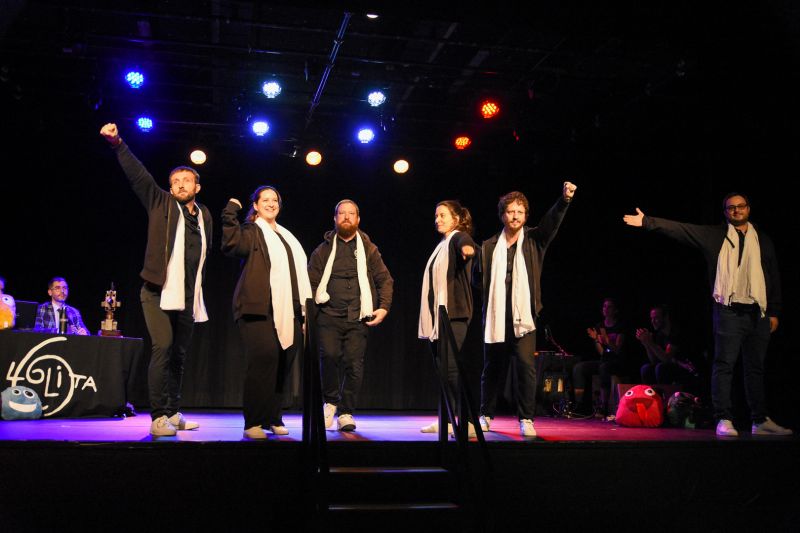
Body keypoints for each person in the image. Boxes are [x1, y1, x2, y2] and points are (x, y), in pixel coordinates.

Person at [623, 193, 790, 437]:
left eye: (740, 206)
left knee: (755, 368)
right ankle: (723, 418)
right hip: (728, 310)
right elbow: (682, 230)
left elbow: (772, 275)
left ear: (748, 209)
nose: (736, 210)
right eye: (731, 208)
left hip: (758, 312)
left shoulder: (762, 240)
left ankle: (760, 420)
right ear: (725, 212)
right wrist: (647, 221)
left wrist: (774, 311)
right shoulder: (715, 236)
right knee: (724, 365)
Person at [100, 123, 210, 437]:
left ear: (197, 187)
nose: (180, 184)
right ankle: (158, 416)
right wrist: (118, 143)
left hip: (187, 296)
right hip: (157, 293)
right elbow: (139, 175)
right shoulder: (160, 203)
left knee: (179, 355)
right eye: (175, 181)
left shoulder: (204, 217)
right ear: (170, 188)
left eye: (186, 180)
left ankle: (173, 411)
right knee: (163, 347)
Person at [476, 183, 576, 438]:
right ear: (502, 215)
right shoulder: (488, 246)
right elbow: (478, 279)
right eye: (511, 211)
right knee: (492, 368)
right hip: (497, 317)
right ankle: (485, 415)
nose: (515, 216)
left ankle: (526, 418)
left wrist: (564, 201)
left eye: (520, 212)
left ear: (526, 216)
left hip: (524, 318)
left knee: (525, 367)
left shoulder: (533, 240)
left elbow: (551, 224)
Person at [221, 186, 312, 439]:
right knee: (263, 361)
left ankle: (273, 417)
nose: (271, 204)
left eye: (275, 200)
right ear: (256, 205)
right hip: (258, 308)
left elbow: (295, 275)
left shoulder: (286, 236)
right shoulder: (252, 231)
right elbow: (231, 244)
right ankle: (253, 421)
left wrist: (304, 312)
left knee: (283, 363)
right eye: (265, 200)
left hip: (289, 309)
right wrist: (230, 213)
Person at [308, 199, 394, 432]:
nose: (346, 217)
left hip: (358, 316)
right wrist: (307, 317)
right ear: (335, 219)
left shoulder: (369, 249)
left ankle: (346, 412)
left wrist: (384, 307)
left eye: (351, 213)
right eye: (342, 213)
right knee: (329, 357)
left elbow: (384, 279)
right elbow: (311, 283)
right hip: (328, 315)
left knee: (354, 365)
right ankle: (330, 402)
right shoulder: (323, 250)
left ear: (358, 219)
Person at [418, 200, 478, 437]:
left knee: (451, 369)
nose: (438, 220)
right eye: (436, 216)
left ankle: (468, 421)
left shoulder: (457, 237)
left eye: (443, 215)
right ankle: (447, 420)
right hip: (438, 317)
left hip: (455, 315)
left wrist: (468, 250)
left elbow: (466, 243)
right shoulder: (441, 245)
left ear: (456, 219)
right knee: (443, 370)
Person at [572, 297, 631, 417]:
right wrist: (596, 340)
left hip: (617, 361)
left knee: (604, 368)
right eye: (604, 306)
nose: (606, 309)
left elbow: (617, 350)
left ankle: (604, 406)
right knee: (579, 368)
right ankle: (579, 403)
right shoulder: (599, 326)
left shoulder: (620, 326)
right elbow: (602, 353)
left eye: (609, 307)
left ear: (615, 310)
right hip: (604, 360)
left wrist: (606, 339)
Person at [637, 304, 699, 389]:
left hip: (687, 368)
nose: (653, 321)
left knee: (661, 368)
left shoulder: (676, 332)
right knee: (646, 368)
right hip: (673, 366)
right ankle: (649, 395)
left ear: (665, 318)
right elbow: (654, 360)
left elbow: (666, 358)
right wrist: (646, 344)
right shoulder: (660, 335)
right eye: (652, 318)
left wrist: (650, 342)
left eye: (656, 318)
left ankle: (666, 396)